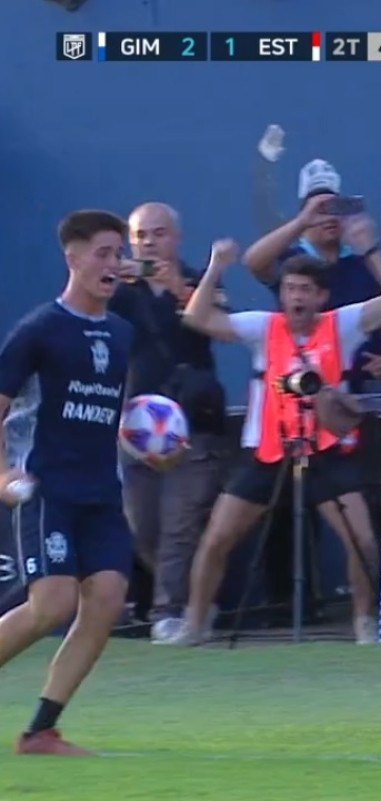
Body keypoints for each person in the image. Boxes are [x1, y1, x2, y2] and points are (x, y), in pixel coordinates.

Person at [160, 214, 381, 646]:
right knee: (218, 537)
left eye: (305, 290)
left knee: (363, 540)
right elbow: (198, 317)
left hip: (325, 448)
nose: (296, 297)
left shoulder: (342, 324)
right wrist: (216, 266)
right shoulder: (264, 327)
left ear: (321, 297)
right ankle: (194, 624)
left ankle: (364, 622)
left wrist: (369, 248)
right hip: (268, 449)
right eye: (290, 289)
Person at [0, 210, 136, 755]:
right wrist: (3, 473)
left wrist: (147, 445)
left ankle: (40, 731)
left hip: (101, 491)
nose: (113, 264)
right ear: (73, 258)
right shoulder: (39, 331)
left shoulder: (121, 332)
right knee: (53, 605)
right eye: (103, 253)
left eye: (118, 253)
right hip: (48, 489)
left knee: (107, 598)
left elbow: (107, 413)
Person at [109, 202, 228, 641]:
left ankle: (171, 612)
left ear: (176, 238)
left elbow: (220, 320)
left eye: (158, 233)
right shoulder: (120, 290)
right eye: (140, 236)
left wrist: (177, 287)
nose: (149, 243)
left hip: (192, 423)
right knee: (143, 525)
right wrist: (112, 277)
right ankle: (197, 597)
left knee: (181, 522)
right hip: (136, 427)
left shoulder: (200, 281)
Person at [243, 157, 381, 390]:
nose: (329, 218)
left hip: (358, 387)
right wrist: (301, 223)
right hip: (302, 384)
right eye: (320, 211)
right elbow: (253, 262)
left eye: (335, 209)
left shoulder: (364, 262)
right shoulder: (291, 262)